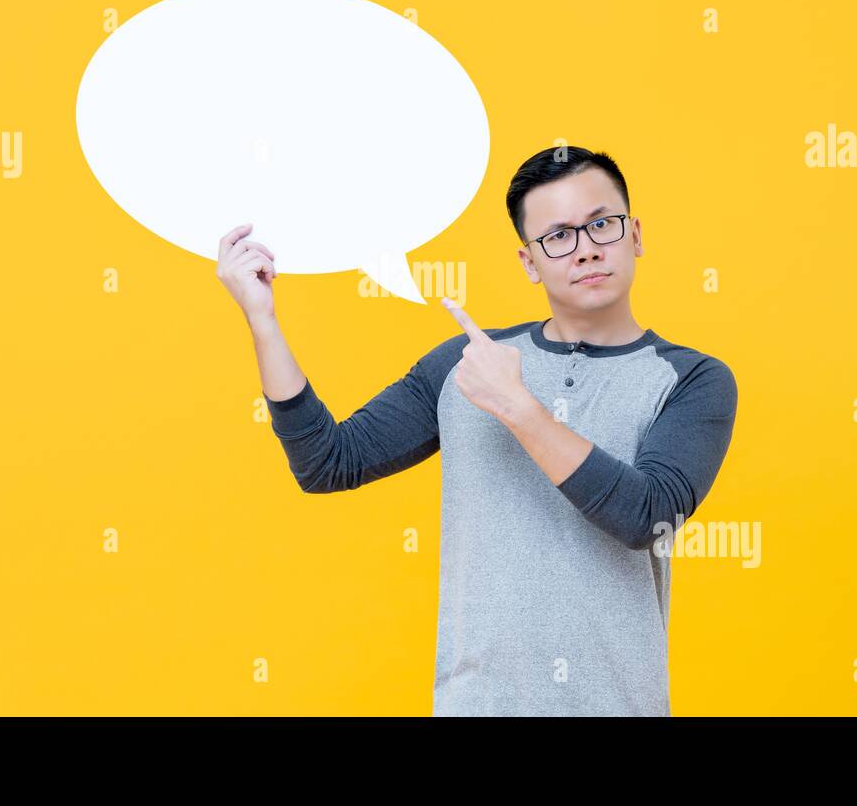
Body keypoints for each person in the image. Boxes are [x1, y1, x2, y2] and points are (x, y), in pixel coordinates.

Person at [215, 145, 738, 716]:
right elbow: (327, 463)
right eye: (558, 236)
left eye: (601, 225)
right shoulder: (466, 363)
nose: (586, 249)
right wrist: (262, 321)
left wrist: (516, 405)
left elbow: (648, 516)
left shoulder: (692, 378)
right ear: (529, 262)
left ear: (634, 234)